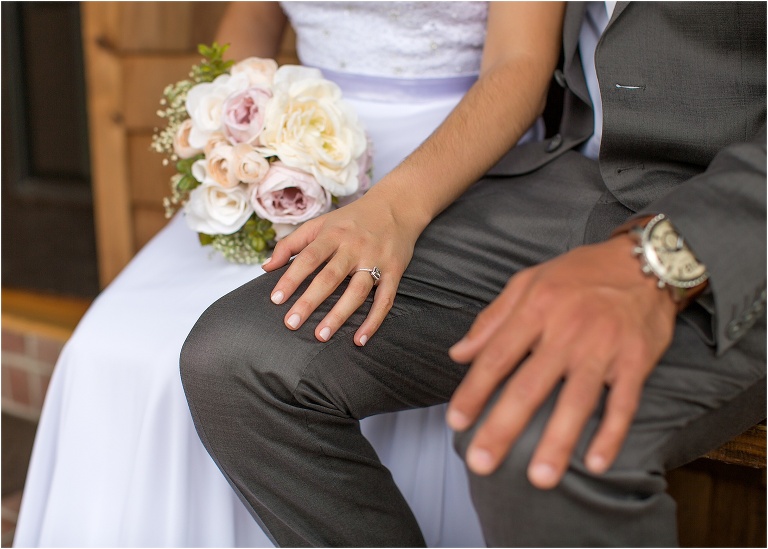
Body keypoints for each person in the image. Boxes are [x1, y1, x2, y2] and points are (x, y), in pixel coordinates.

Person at [181, 1, 767, 547]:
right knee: (240, 358)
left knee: (538, 440)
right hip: (573, 172)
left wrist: (658, 257)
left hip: (738, 216)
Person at [13, 2, 552, 547]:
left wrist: (394, 209)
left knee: (281, 339)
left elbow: (520, 62)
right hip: (295, 138)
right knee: (110, 346)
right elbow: (252, 16)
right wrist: (239, 127)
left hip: (452, 147)